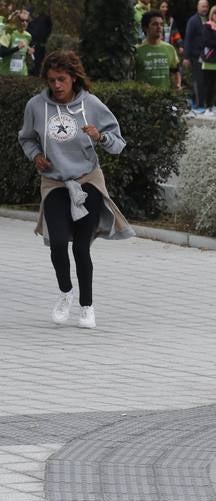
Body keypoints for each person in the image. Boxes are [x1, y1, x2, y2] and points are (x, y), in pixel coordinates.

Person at [17, 51, 134, 329]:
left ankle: (87, 306)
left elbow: (118, 144)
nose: (56, 85)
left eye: (62, 79)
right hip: (55, 182)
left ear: (74, 78)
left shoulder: (91, 104)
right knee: (57, 241)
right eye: (51, 80)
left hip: (87, 181)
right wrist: (35, 156)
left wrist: (100, 136)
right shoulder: (36, 105)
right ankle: (66, 292)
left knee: (82, 247)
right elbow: (26, 138)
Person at [133, 13, 181, 91]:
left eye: (161, 24)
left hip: (166, 98)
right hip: (142, 98)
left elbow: (175, 71)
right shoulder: (137, 50)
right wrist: (140, 86)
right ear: (145, 28)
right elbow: (128, 78)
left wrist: (177, 86)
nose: (159, 27)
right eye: (155, 24)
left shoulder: (170, 48)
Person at [183, 0, 210, 111]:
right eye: (202, 6)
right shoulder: (193, 20)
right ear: (198, 7)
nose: (204, 9)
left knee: (206, 80)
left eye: (206, 6)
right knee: (198, 80)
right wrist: (186, 57)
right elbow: (188, 38)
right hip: (195, 55)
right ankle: (199, 104)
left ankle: (204, 103)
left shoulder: (209, 20)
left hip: (208, 56)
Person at [0, 8, 34, 77]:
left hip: (22, 74)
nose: (24, 23)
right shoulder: (8, 32)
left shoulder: (28, 35)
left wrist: (29, 52)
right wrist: (17, 48)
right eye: (22, 20)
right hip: (6, 75)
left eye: (27, 21)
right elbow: (1, 52)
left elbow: (23, 54)